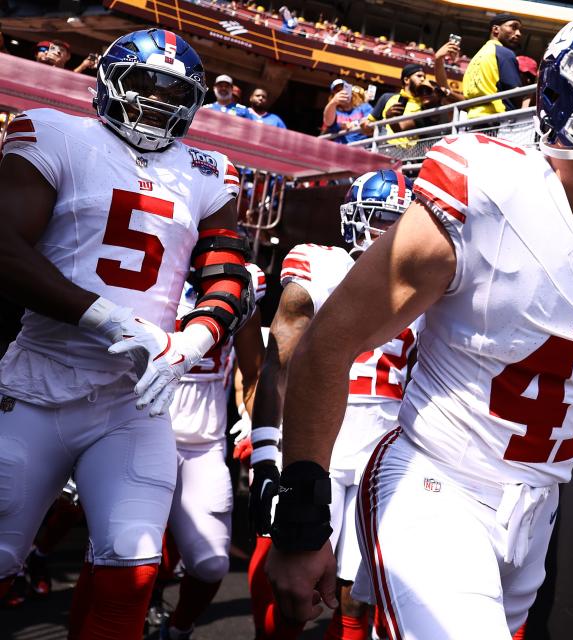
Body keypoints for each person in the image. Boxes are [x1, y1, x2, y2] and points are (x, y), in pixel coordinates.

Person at [265, 4, 573, 636]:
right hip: (435, 482)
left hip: (536, 509)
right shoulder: (486, 188)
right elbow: (329, 344)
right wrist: (303, 516)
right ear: (566, 89)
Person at [0, 28, 252, 638]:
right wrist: (104, 315)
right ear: (109, 84)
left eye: (173, 92)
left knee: (131, 570)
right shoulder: (56, 133)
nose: (156, 102)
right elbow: (4, 247)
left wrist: (187, 345)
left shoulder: (208, 172)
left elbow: (228, 276)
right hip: (38, 383)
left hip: (134, 399)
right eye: (143, 84)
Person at [246, 170, 420, 640]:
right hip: (317, 441)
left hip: (380, 448)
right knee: (293, 587)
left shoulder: (425, 284)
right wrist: (265, 448)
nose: (386, 231)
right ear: (352, 218)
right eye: (380, 218)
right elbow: (277, 363)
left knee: (357, 594)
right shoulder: (318, 264)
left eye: (397, 222)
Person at [158, 263, 266, 640]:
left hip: (203, 442)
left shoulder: (241, 282)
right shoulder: (151, 263)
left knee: (210, 563)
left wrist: (261, 428)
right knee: (124, 555)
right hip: (139, 429)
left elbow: (254, 371)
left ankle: (177, 630)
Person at [462, 13, 524, 118]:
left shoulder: (477, 56)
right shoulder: (504, 53)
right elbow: (515, 94)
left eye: (519, 30)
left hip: (472, 119)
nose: (518, 33)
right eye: (513, 27)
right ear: (496, 29)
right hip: (497, 119)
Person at [360, 64, 429, 147]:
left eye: (424, 77)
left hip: (411, 156)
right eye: (419, 76)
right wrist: (364, 124)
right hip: (384, 149)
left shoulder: (425, 104)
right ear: (406, 80)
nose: (422, 79)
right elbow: (368, 125)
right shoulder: (387, 98)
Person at [323, 78, 373, 143]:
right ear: (334, 95)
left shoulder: (363, 106)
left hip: (362, 147)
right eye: (338, 91)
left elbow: (371, 121)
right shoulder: (334, 110)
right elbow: (328, 122)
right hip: (340, 148)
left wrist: (353, 124)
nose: (342, 92)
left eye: (344, 89)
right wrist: (333, 102)